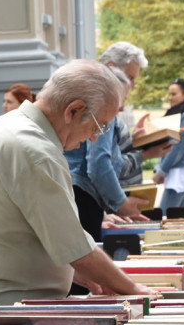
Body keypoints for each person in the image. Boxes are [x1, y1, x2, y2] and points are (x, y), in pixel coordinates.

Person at [0, 59, 158, 325]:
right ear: (73, 111)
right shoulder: (34, 150)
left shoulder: (5, 128)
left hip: (0, 315)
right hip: (11, 324)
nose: (95, 137)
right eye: (98, 125)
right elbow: (77, 249)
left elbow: (20, 233)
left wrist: (79, 276)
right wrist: (134, 289)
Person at [65, 42, 168, 241]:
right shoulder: (104, 99)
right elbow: (99, 162)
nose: (132, 85)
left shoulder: (93, 95)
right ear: (111, 69)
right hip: (84, 197)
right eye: (129, 77)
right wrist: (121, 203)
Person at [153, 79, 184, 214]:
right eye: (169, 94)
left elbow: (177, 148)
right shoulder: (182, 114)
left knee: (164, 216)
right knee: (177, 219)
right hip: (177, 172)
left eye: (174, 94)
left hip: (180, 174)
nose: (170, 98)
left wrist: (161, 171)